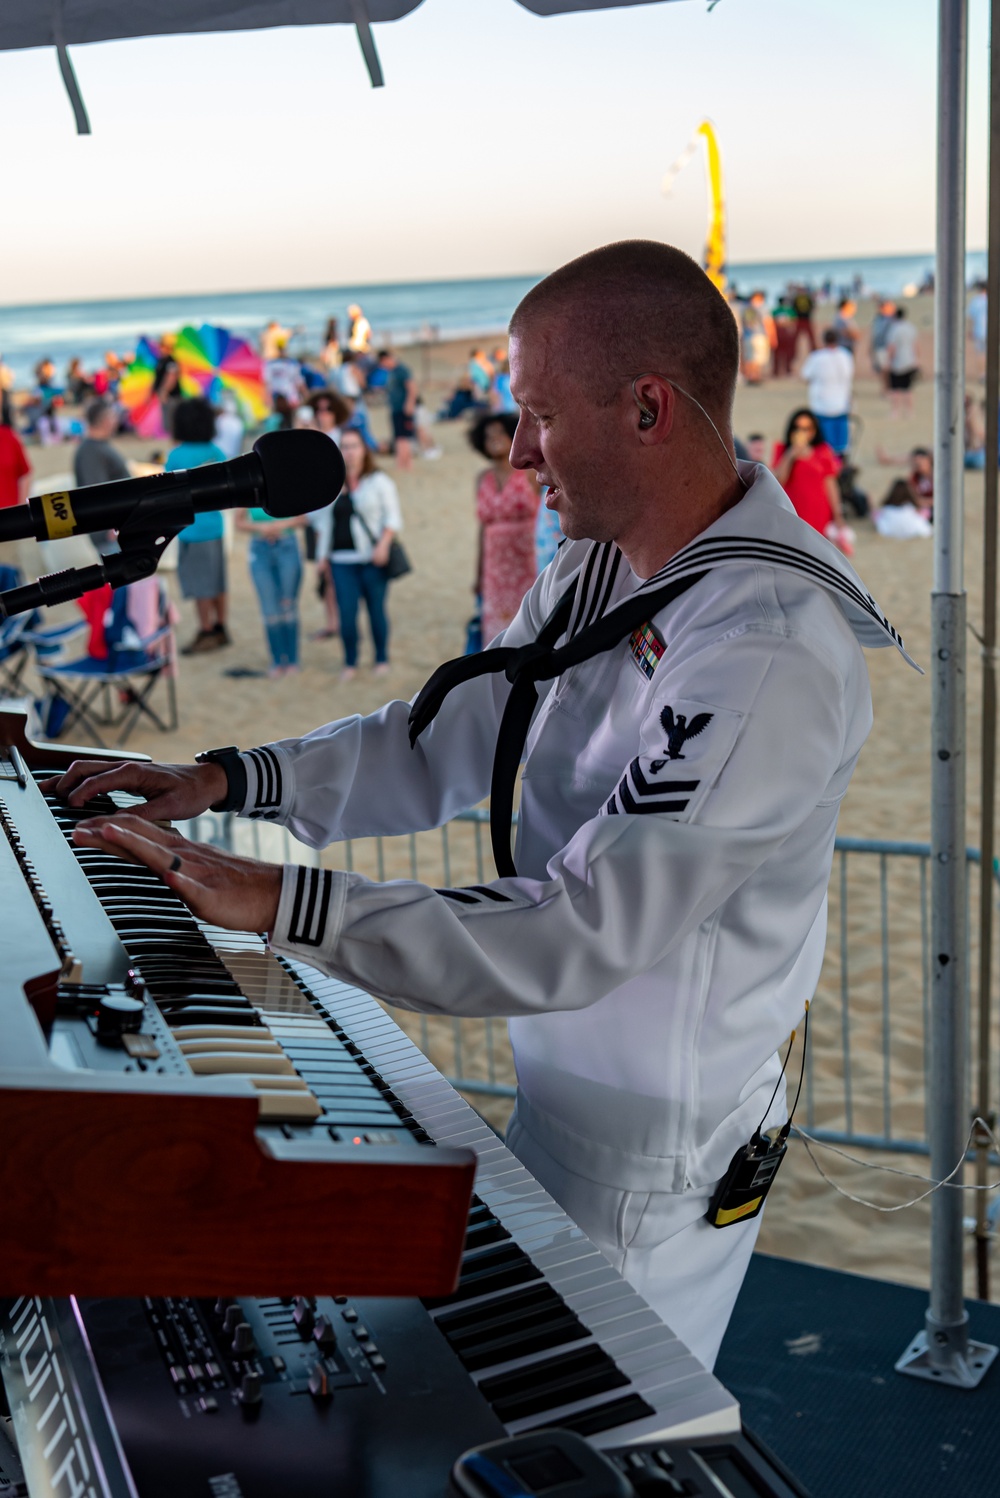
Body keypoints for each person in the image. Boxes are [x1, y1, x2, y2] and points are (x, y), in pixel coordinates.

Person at [50, 240, 913, 1372]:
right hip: (561, 1079)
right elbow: (461, 728)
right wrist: (234, 779)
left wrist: (286, 903)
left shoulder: (762, 651)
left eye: (537, 414)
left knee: (582, 1421)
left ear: (647, 409)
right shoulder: (605, 563)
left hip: (651, 1147)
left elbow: (579, 927)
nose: (515, 451)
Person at [328, 427, 402, 680]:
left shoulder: (379, 481)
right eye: (344, 447)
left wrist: (383, 544)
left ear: (364, 450)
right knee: (346, 614)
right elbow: (321, 523)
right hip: (341, 559)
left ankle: (381, 657)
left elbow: (392, 517)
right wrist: (320, 557)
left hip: (372, 557)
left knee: (376, 610)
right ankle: (350, 661)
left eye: (354, 446)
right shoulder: (330, 485)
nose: (349, 452)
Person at [469, 410, 541, 643]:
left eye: (500, 433)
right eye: (489, 436)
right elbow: (482, 529)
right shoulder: (482, 478)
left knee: (531, 623)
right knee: (497, 629)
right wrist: (479, 574)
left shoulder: (529, 473)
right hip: (495, 567)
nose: (494, 439)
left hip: (529, 561)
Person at [167, 398, 230, 654]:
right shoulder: (216, 452)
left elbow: (169, 493)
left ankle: (206, 630)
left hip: (191, 530)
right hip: (215, 527)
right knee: (218, 581)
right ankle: (221, 626)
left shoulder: (177, 456)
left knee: (200, 585)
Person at [235, 504, 306, 678]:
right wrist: (261, 528)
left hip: (287, 546)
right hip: (260, 549)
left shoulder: (287, 486)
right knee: (270, 611)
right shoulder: (251, 491)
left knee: (288, 607)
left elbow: (303, 518)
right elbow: (238, 522)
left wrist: (279, 526)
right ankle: (277, 660)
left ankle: (292, 660)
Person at [305, 390, 351, 640]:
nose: (323, 415)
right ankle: (332, 621)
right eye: (318, 410)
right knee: (324, 573)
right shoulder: (311, 439)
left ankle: (338, 622)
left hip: (336, 515)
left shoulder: (341, 439)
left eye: (327, 410)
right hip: (315, 515)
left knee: (334, 571)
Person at [772, 408, 844, 534]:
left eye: (807, 429)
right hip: (792, 511)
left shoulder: (823, 451)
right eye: (797, 428)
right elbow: (778, 481)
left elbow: (831, 485)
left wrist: (838, 515)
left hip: (818, 512)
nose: (802, 433)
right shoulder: (782, 449)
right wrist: (790, 455)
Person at [74, 398, 131, 557]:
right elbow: (95, 492)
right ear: (105, 420)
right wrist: (110, 528)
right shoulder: (91, 451)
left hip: (116, 530)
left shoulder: (97, 447)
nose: (116, 420)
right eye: (113, 416)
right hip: (110, 535)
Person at [799, 329, 854, 455]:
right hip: (841, 404)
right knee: (841, 446)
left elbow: (805, 376)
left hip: (821, 405)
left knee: (825, 445)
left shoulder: (817, 357)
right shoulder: (845, 356)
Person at [0, 403, 32, 578]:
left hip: (8, 522)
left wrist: (21, 508)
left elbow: (25, 472)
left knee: (11, 575)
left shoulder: (8, 436)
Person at [378, 349, 417, 473]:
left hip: (403, 408)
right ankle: (401, 462)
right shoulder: (391, 372)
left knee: (404, 436)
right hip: (395, 408)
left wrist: (409, 404)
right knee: (398, 436)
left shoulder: (402, 370)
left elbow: (412, 388)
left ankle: (407, 463)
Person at [884, 305, 920, 418]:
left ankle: (895, 412)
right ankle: (910, 412)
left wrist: (889, 361)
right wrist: (916, 359)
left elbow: (891, 347)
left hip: (897, 362)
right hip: (910, 360)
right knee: (908, 389)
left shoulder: (894, 329)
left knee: (895, 390)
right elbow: (916, 345)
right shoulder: (911, 328)